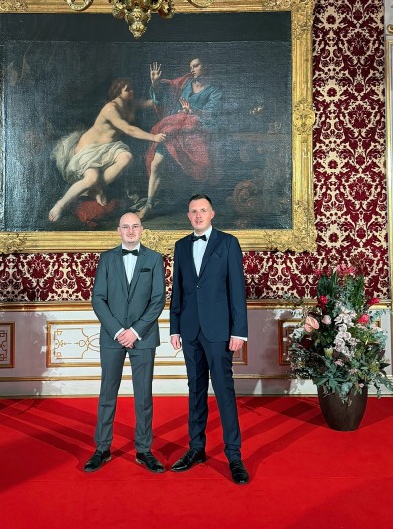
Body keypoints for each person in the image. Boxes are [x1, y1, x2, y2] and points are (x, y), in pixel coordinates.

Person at [169, 193, 249, 485]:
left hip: (220, 332)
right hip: (190, 331)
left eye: (203, 210)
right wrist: (174, 327)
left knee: (224, 391)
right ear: (188, 216)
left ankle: (234, 455)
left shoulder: (228, 243)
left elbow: (237, 290)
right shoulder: (180, 247)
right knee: (196, 391)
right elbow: (178, 290)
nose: (198, 215)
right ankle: (196, 448)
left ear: (212, 213)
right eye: (193, 211)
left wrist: (238, 331)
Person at [83, 212, 166, 473]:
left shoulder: (154, 259)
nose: (130, 231)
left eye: (135, 227)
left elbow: (158, 300)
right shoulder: (106, 259)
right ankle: (102, 448)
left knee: (143, 396)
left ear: (142, 230)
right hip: (112, 336)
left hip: (143, 338)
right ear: (118, 230)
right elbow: (98, 299)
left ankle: (144, 450)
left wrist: (135, 332)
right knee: (108, 394)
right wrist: (119, 330)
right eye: (126, 227)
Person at [48, 78, 166, 222]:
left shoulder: (131, 104)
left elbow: (153, 103)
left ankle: (95, 189)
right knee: (91, 178)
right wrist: (153, 137)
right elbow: (129, 129)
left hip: (109, 147)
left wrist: (155, 84)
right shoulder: (111, 108)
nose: (132, 91)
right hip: (89, 149)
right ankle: (60, 205)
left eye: (131, 88)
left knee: (126, 157)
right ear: (118, 92)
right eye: (127, 89)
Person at [138, 58, 222, 220]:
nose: (192, 69)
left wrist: (192, 111)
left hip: (197, 133)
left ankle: (198, 208)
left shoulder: (214, 90)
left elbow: (213, 115)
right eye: (190, 66)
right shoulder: (185, 83)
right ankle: (148, 205)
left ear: (206, 65)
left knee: (200, 168)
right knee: (156, 163)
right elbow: (163, 97)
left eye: (196, 65)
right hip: (176, 131)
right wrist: (155, 83)